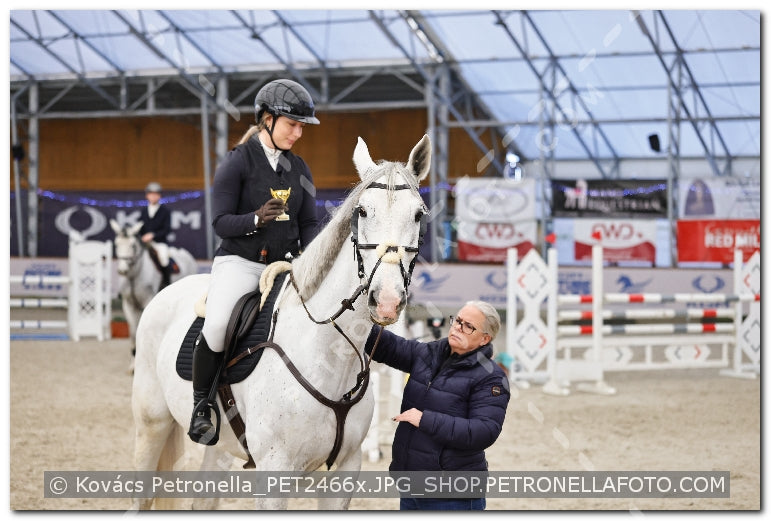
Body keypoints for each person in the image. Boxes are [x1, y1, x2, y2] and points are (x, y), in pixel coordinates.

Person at [188, 79, 321, 445]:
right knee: (216, 326)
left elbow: (309, 222)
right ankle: (202, 407)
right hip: (241, 263)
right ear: (267, 119)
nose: (298, 132)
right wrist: (255, 219)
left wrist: (312, 261)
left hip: (286, 266)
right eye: (292, 124)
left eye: (301, 127)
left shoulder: (301, 170)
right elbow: (219, 222)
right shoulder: (236, 162)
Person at [364, 301, 511, 510]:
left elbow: (483, 431)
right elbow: (388, 346)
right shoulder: (430, 353)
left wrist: (425, 420)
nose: (458, 327)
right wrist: (358, 321)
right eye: (457, 321)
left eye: (469, 326)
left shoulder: (491, 378)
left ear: (485, 339)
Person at [138, 181, 172, 289]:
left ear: (159, 196)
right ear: (147, 195)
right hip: (145, 243)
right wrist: (141, 235)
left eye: (156, 194)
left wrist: (153, 235)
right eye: (151, 194)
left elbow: (167, 229)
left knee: (163, 258)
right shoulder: (144, 211)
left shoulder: (165, 211)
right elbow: (140, 226)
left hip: (159, 242)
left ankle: (166, 282)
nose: (153, 196)